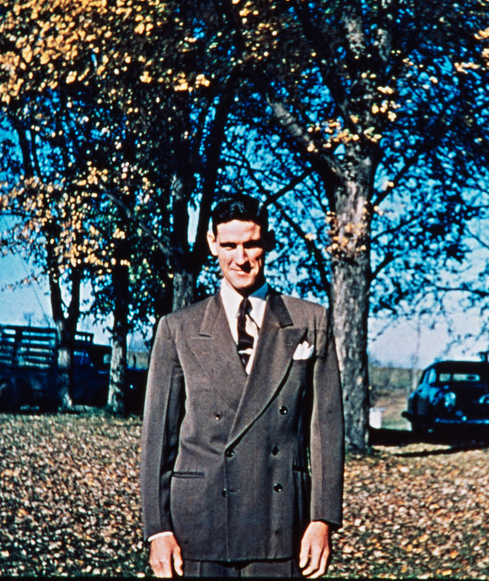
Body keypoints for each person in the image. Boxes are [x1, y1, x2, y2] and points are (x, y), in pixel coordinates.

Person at [140, 193, 344, 578]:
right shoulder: (178, 328)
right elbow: (157, 439)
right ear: (212, 244)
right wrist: (158, 529)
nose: (241, 257)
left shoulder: (311, 320)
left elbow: (327, 431)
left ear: (267, 243)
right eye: (230, 245)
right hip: (198, 525)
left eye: (251, 244)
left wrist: (322, 520)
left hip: (282, 523)